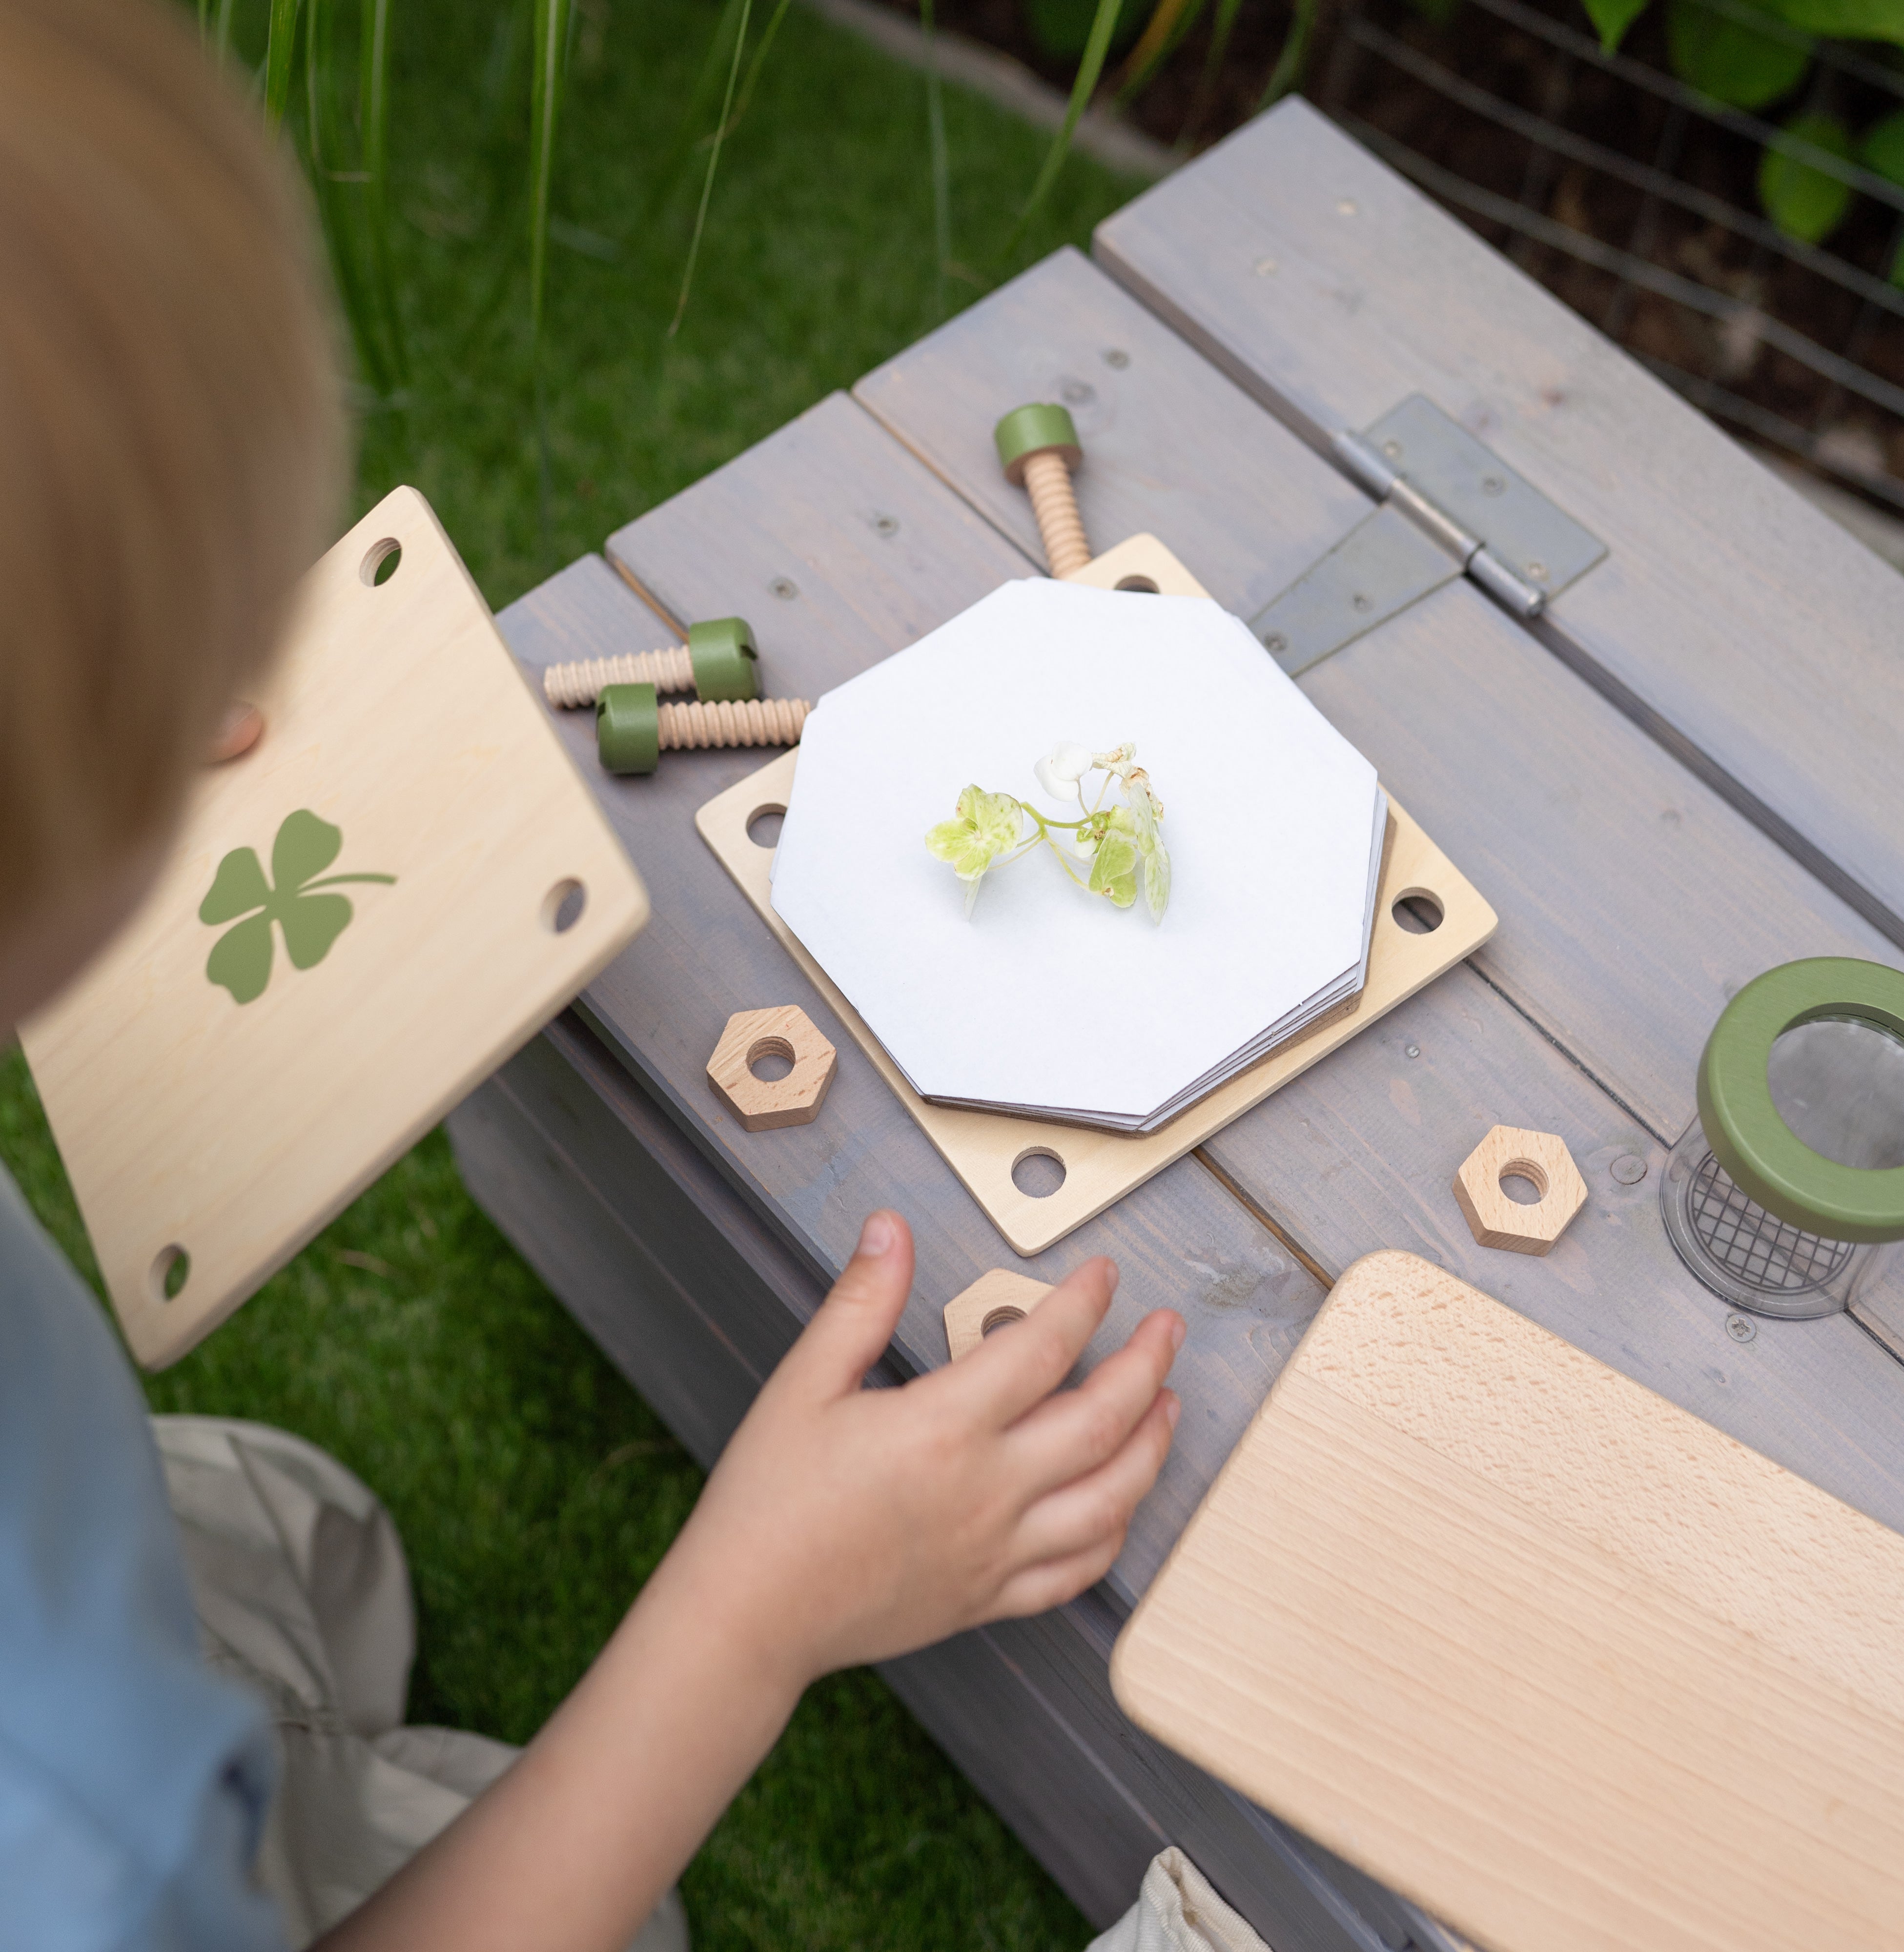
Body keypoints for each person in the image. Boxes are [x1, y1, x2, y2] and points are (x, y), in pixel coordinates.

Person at [0, 2, 1185, 1948]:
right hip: (95, 1833)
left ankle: (239, 1699)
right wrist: (755, 1609)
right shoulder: (57, 1802)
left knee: (264, 1543)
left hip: (74, 1591)